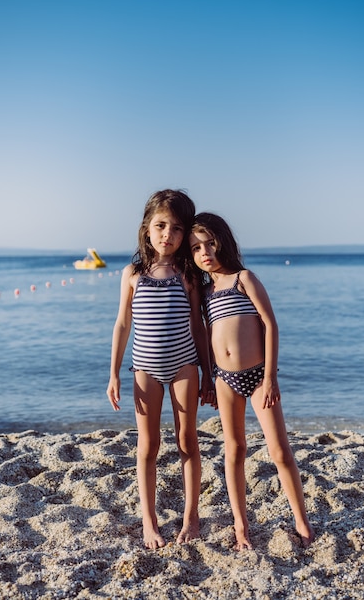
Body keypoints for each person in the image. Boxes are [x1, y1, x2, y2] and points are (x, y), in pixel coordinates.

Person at [189, 212, 315, 550]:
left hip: (260, 376)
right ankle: (241, 524)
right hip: (224, 378)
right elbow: (203, 336)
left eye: (210, 243)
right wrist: (206, 375)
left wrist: (271, 376)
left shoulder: (244, 278)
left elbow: (270, 325)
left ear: (223, 242)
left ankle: (301, 522)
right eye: (197, 248)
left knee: (279, 451)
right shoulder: (203, 292)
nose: (205, 252)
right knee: (235, 449)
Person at [106, 190, 214, 550]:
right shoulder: (133, 273)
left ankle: (191, 515)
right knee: (148, 446)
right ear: (146, 229)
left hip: (185, 366)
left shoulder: (187, 274)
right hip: (145, 370)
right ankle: (149, 521)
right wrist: (114, 373)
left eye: (177, 228)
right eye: (160, 225)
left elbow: (198, 327)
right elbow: (122, 324)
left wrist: (209, 373)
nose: (168, 234)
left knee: (187, 441)